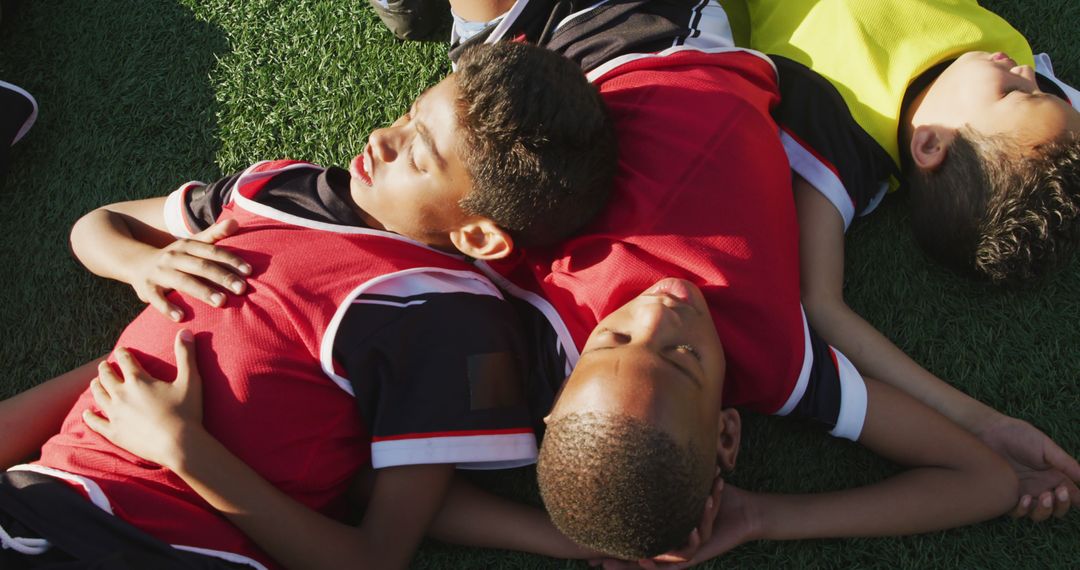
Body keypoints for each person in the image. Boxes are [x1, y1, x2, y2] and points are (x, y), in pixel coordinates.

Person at [70, 2, 1030, 568]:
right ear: (729, 426)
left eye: (619, 343)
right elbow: (980, 479)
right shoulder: (779, 366)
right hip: (652, 29)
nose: (656, 316)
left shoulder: (521, 343)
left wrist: (578, 544)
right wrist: (770, 519)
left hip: (523, 83)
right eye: (688, 358)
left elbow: (397, 483)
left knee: (477, 49)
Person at [0, 40, 616, 570]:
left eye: (418, 154)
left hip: (161, 549)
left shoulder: (451, 318)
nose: (383, 138)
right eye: (407, 115)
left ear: (478, 236)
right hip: (37, 500)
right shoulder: (281, 189)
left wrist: (183, 449)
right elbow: (97, 225)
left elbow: (375, 553)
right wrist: (144, 265)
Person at [719, 0, 1080, 520]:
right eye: (1040, 89)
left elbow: (820, 305)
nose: (1028, 73)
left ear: (931, 143)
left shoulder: (841, 130)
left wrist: (981, 422)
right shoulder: (1018, 95)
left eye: (1012, 94)